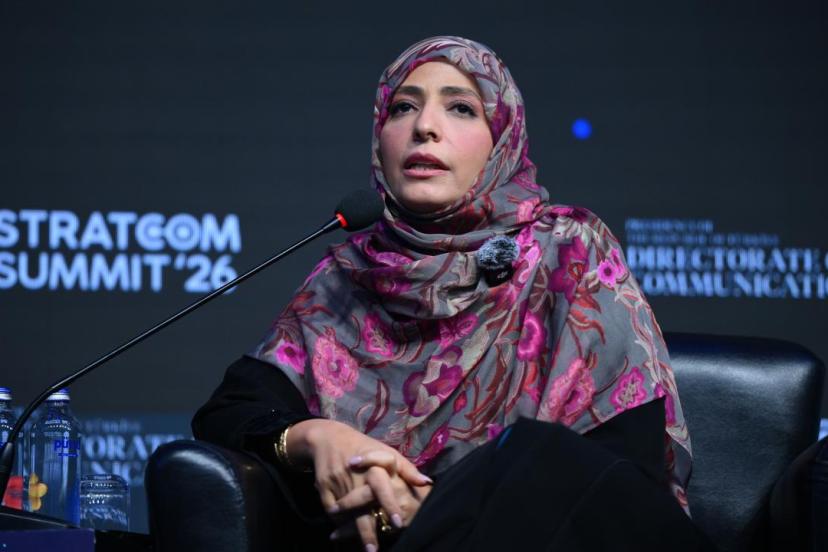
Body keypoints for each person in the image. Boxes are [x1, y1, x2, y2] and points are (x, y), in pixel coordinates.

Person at [192, 36, 712, 551]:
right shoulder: (344, 278)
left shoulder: (568, 249)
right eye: (403, 108)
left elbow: (620, 464)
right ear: (379, 138)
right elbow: (231, 411)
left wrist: (436, 508)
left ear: (501, 140)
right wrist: (318, 438)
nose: (424, 126)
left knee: (537, 452)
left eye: (461, 108)